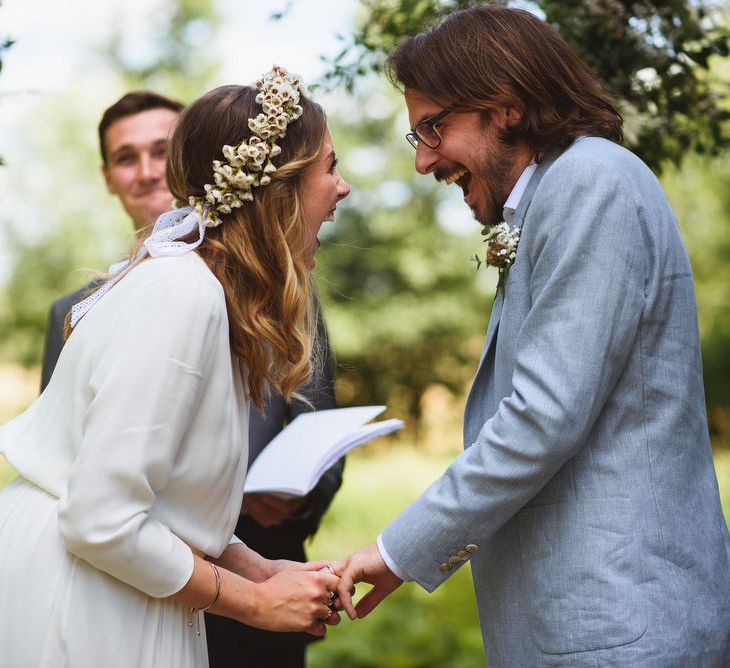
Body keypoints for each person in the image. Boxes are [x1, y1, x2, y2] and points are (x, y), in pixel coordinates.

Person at [334, 7, 730, 667]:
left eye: (434, 127)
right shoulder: (558, 192)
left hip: (620, 630)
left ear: (507, 106)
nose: (425, 160)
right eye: (416, 138)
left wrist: (396, 552)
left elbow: (543, 418)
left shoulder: (589, 182)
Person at [0, 65, 350, 667]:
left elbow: (164, 499)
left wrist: (258, 568)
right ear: (281, 187)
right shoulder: (182, 294)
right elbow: (101, 521)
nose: (342, 189)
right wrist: (255, 605)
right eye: (331, 167)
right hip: (85, 592)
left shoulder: (206, 290)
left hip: (116, 577)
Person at [40, 90, 183, 390]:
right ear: (108, 178)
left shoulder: (270, 284)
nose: (147, 172)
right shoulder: (68, 314)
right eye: (126, 158)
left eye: (162, 151)